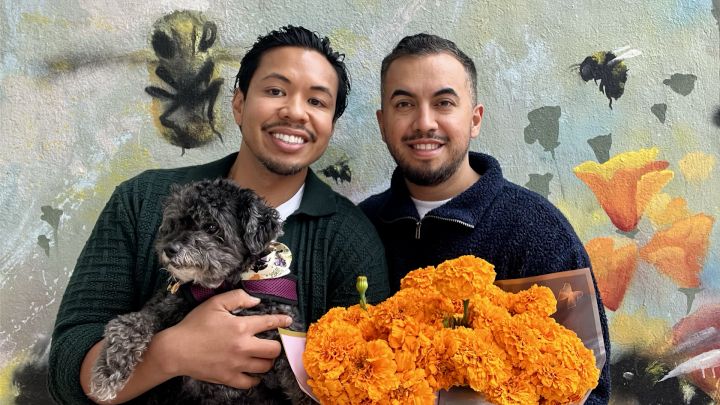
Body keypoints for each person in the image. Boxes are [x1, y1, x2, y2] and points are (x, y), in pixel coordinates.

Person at [49, 25, 390, 404]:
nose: (295, 112)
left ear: (331, 126)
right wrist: (173, 352)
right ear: (239, 103)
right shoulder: (141, 200)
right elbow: (67, 363)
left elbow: (365, 387)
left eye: (316, 101)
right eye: (275, 91)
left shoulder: (352, 240)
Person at [359, 33, 611, 404]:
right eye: (404, 104)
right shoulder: (359, 228)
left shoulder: (537, 230)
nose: (424, 122)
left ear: (474, 119)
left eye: (444, 103)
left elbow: (592, 389)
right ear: (383, 123)